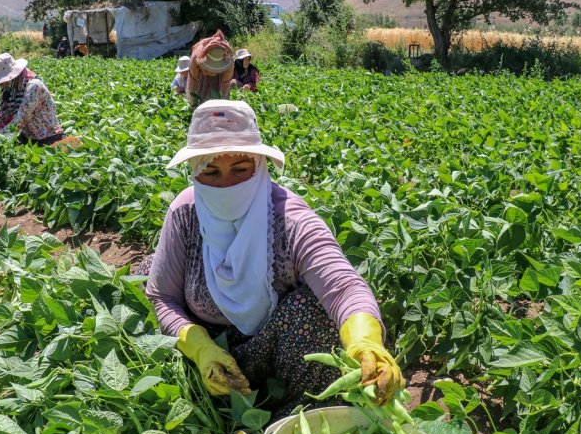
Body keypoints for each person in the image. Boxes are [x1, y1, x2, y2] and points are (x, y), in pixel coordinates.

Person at [143, 100, 404, 417]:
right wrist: (200, 348)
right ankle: (230, 408)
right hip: (213, 353)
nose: (226, 184)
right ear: (194, 173)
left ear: (259, 166)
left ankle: (301, 412)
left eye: (240, 169)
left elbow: (344, 288)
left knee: (314, 310)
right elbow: (162, 296)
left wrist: (365, 342)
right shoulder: (185, 213)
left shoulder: (289, 219)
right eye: (210, 171)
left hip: (282, 349)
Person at [0, 53, 66, 147]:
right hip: (28, 138)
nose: (0, 84)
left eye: (2, 80)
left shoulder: (34, 86)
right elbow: (2, 114)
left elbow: (21, 118)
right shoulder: (12, 88)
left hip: (48, 139)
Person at [185, 30, 234, 107]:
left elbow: (225, 85)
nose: (211, 73)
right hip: (199, 71)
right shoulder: (196, 57)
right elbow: (192, 82)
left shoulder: (228, 62)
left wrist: (223, 105)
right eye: (207, 69)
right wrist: (193, 104)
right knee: (199, 97)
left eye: (215, 70)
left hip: (220, 78)